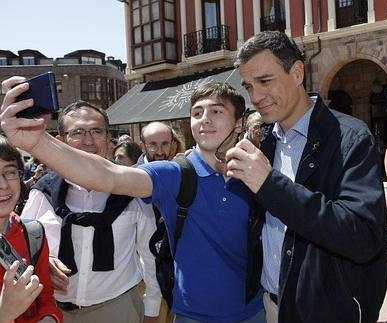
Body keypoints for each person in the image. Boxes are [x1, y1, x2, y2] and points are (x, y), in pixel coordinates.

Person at [0, 80, 264, 322]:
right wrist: (37, 142)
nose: (204, 120)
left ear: (239, 122)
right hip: (193, 316)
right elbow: (109, 175)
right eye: (197, 113)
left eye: (216, 111)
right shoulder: (174, 174)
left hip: (254, 311)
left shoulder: (260, 169)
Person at [226, 30, 387, 323]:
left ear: (297, 72)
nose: (256, 96)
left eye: (265, 81)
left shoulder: (350, 138)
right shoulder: (263, 140)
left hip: (327, 312)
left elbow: (363, 236)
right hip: (270, 305)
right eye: (249, 86)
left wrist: (269, 183)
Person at [18, 101, 161, 323]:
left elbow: (150, 255)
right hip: (52, 310)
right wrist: (43, 263)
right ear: (61, 140)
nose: (88, 141)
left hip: (117, 308)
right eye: (77, 132)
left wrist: (152, 309)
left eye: (96, 131)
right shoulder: (42, 192)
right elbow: (20, 248)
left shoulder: (133, 190)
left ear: (108, 139)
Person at [0, 135, 62, 323]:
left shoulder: (33, 233)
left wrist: (49, 317)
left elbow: (45, 299)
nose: (3, 186)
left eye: (10, 172)